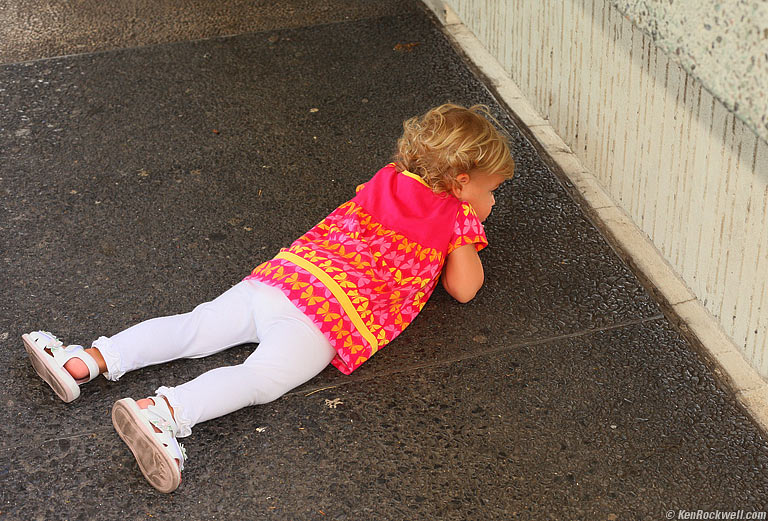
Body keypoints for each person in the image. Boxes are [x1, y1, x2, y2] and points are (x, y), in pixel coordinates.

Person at [21, 103, 515, 493]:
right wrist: (471, 228)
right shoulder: (456, 217)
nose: (495, 197)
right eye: (493, 188)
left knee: (193, 327)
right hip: (328, 318)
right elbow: (464, 289)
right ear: (462, 183)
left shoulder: (386, 179)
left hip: (284, 279)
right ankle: (165, 412)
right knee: (259, 378)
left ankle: (83, 361)